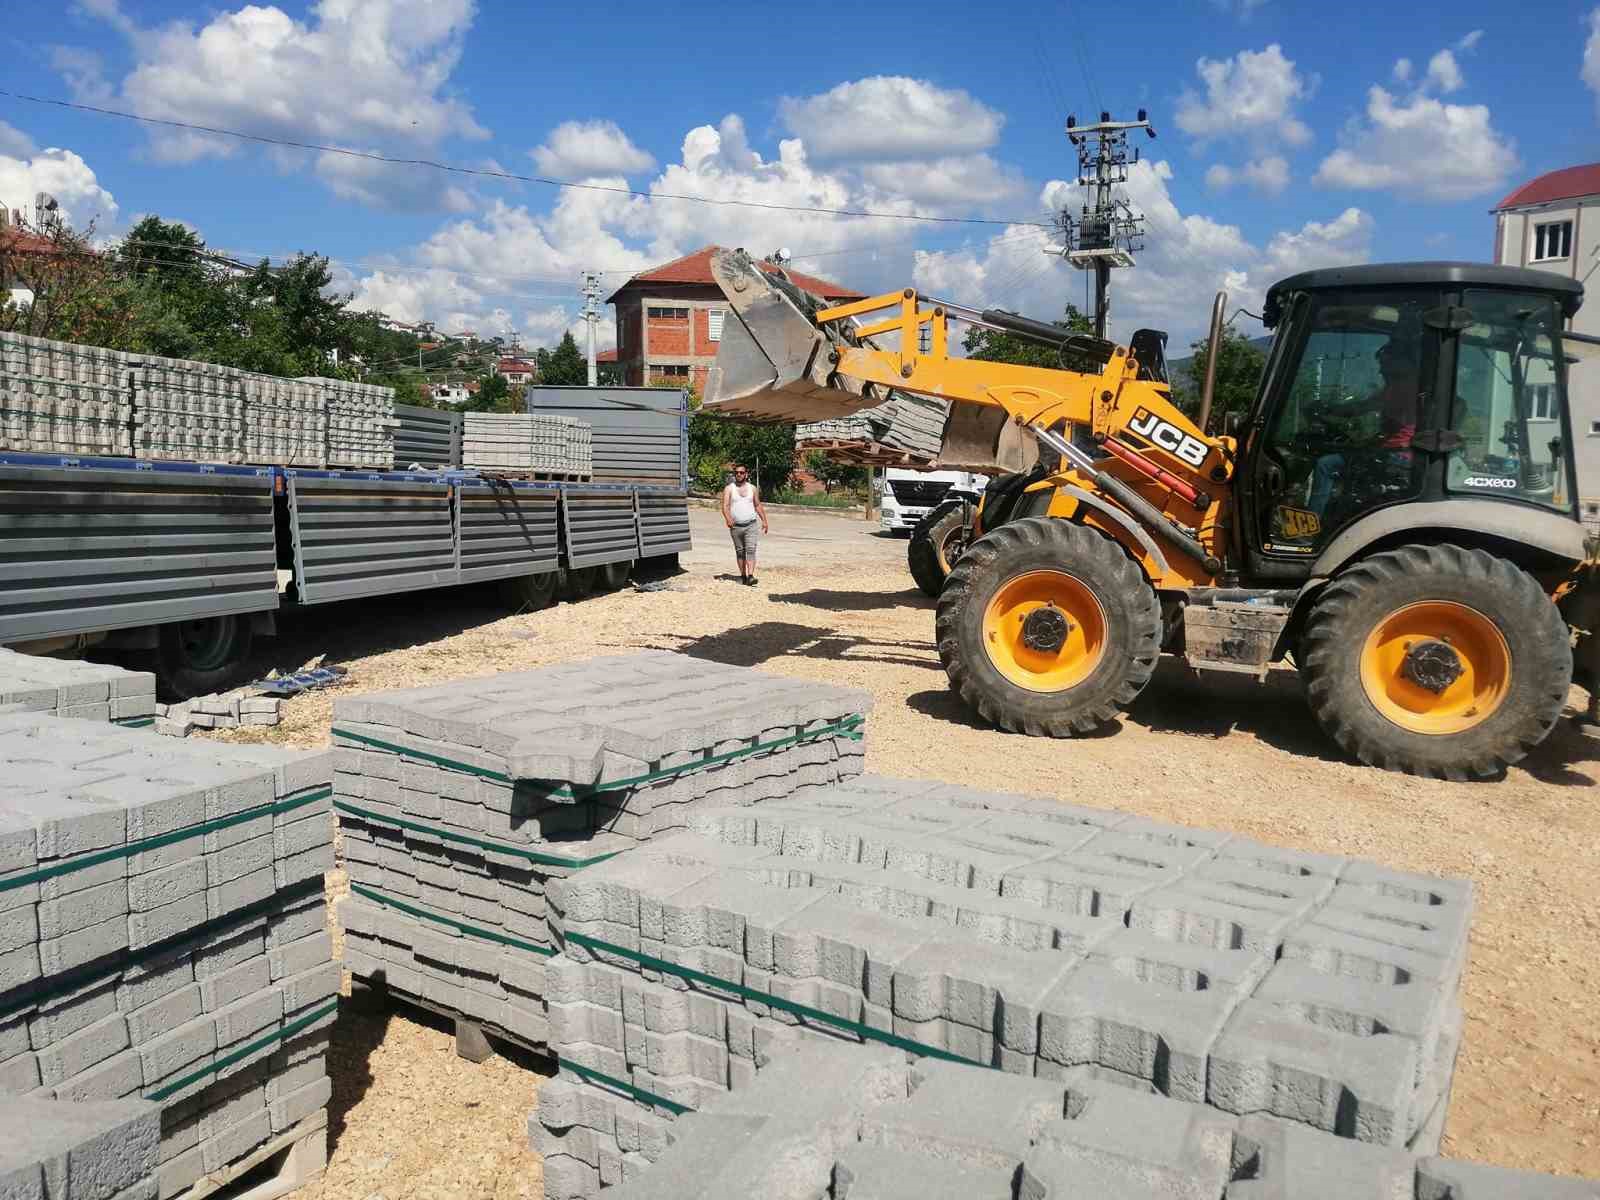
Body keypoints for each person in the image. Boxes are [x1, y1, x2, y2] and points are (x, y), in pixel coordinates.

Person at [1306, 337, 1422, 520]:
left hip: (1394, 455)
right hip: (1394, 452)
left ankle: (1309, 526)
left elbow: (1380, 420)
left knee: (1325, 464)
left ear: (1400, 363)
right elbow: (1362, 408)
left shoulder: (1402, 388)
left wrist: (1328, 410)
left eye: (1385, 364)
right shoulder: (1402, 386)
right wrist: (1331, 410)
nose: (1381, 369)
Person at [721, 464, 768, 585]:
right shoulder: (729, 489)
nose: (739, 474)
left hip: (751, 525)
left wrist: (764, 520)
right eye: (737, 473)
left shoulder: (752, 488)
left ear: (746, 474)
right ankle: (743, 575)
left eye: (741, 472)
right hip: (736, 526)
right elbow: (725, 506)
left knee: (751, 550)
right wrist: (728, 518)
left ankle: (751, 576)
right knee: (740, 552)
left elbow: (757, 505)